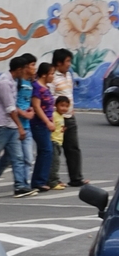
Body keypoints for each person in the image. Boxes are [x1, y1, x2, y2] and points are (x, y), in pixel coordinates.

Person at [0, 53, 33, 195]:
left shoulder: (14, 81)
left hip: (11, 126)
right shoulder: (4, 82)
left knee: (15, 157)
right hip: (2, 126)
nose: (25, 71)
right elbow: (10, 108)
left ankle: (20, 186)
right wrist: (20, 127)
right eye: (24, 69)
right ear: (18, 69)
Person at [48, 47, 87, 186]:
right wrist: (55, 117)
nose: (69, 64)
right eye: (67, 61)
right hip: (58, 118)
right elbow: (49, 98)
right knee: (56, 149)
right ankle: (53, 179)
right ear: (59, 63)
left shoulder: (68, 75)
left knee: (73, 148)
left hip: (69, 116)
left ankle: (76, 178)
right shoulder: (51, 77)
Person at [28, 60, 55, 193]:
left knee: (45, 151)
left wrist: (52, 121)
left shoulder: (46, 88)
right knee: (46, 151)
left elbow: (50, 107)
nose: (53, 76)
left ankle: (39, 180)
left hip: (46, 124)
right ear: (44, 75)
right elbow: (37, 107)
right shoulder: (37, 88)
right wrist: (47, 122)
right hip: (39, 124)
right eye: (51, 73)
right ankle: (39, 181)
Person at [49, 93, 73, 189]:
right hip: (53, 141)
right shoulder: (54, 115)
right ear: (56, 105)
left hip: (59, 142)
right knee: (55, 163)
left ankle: (54, 179)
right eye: (62, 105)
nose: (64, 108)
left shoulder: (61, 116)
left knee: (55, 162)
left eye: (66, 106)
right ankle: (53, 182)